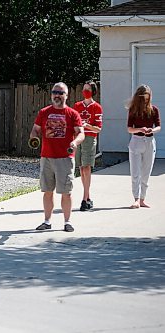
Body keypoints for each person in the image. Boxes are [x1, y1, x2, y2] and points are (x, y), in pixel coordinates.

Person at [30, 82, 85, 232]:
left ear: (66, 96)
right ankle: (47, 222)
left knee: (66, 192)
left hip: (65, 158)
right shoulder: (44, 112)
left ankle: (67, 222)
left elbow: (81, 133)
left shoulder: (72, 114)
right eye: (55, 92)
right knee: (47, 191)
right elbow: (35, 129)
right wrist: (34, 138)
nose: (57, 95)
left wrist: (75, 142)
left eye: (60, 93)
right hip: (46, 158)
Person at [127, 84, 161, 209]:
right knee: (135, 172)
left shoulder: (154, 110)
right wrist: (140, 129)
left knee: (146, 172)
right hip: (136, 141)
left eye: (148, 98)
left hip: (149, 141)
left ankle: (142, 199)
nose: (146, 100)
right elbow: (129, 129)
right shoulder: (133, 110)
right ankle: (136, 199)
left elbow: (158, 126)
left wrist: (152, 130)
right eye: (143, 98)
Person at [73, 81, 103, 211]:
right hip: (78, 137)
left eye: (88, 89)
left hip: (90, 138)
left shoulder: (97, 107)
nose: (85, 91)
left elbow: (98, 129)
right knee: (80, 168)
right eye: (84, 89)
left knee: (86, 167)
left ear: (93, 92)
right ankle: (88, 196)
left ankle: (84, 199)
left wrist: (87, 125)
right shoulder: (77, 106)